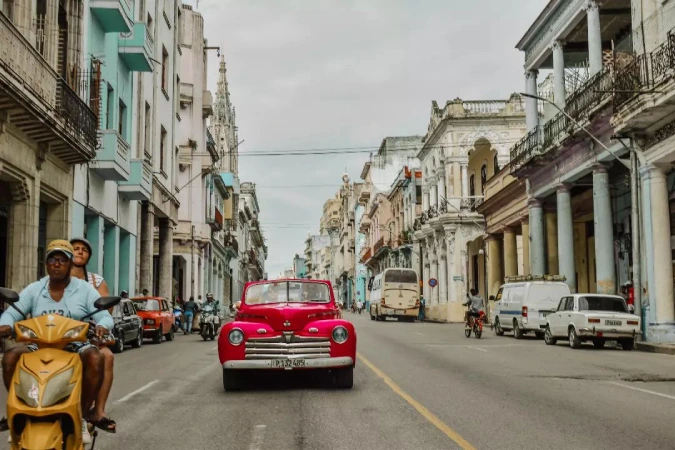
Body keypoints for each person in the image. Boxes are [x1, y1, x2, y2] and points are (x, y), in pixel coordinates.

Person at [0, 240, 113, 444]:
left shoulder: (84, 289)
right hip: (38, 347)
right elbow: (11, 313)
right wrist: (5, 325)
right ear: (46, 263)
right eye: (53, 259)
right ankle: (16, 411)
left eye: (63, 259)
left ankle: (81, 413)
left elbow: (104, 316)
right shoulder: (35, 289)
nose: (57, 264)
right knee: (10, 357)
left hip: (74, 347)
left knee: (96, 358)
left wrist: (102, 326)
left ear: (70, 264)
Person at [70, 237, 117, 434]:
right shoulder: (53, 279)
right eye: (75, 249)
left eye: (84, 250)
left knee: (106, 356)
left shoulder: (95, 281)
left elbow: (106, 311)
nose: (80, 252)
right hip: (54, 334)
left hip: (87, 335)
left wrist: (100, 328)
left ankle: (97, 411)